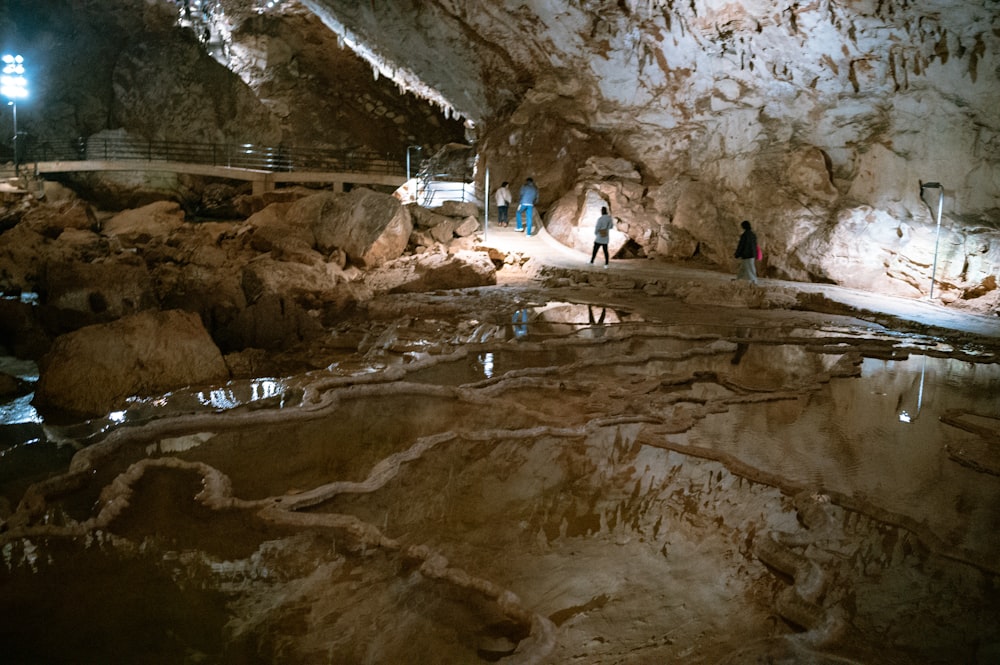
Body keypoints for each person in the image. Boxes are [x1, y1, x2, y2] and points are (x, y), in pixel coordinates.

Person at [733, 220, 759, 284]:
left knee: (750, 268)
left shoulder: (745, 235)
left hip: (747, 255)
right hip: (752, 254)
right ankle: (738, 279)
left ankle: (754, 281)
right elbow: (755, 245)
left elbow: (741, 245)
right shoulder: (753, 235)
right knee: (743, 268)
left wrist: (737, 254)